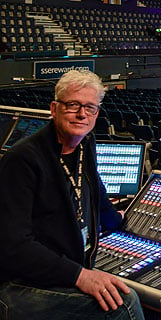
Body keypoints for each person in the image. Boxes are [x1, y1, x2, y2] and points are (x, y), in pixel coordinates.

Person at [0, 70, 144, 320]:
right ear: (54, 108)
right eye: (73, 105)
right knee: (125, 304)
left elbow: (95, 189)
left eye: (90, 108)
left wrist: (117, 220)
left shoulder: (86, 143)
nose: (82, 115)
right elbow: (14, 246)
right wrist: (80, 276)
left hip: (61, 269)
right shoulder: (22, 160)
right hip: (19, 285)